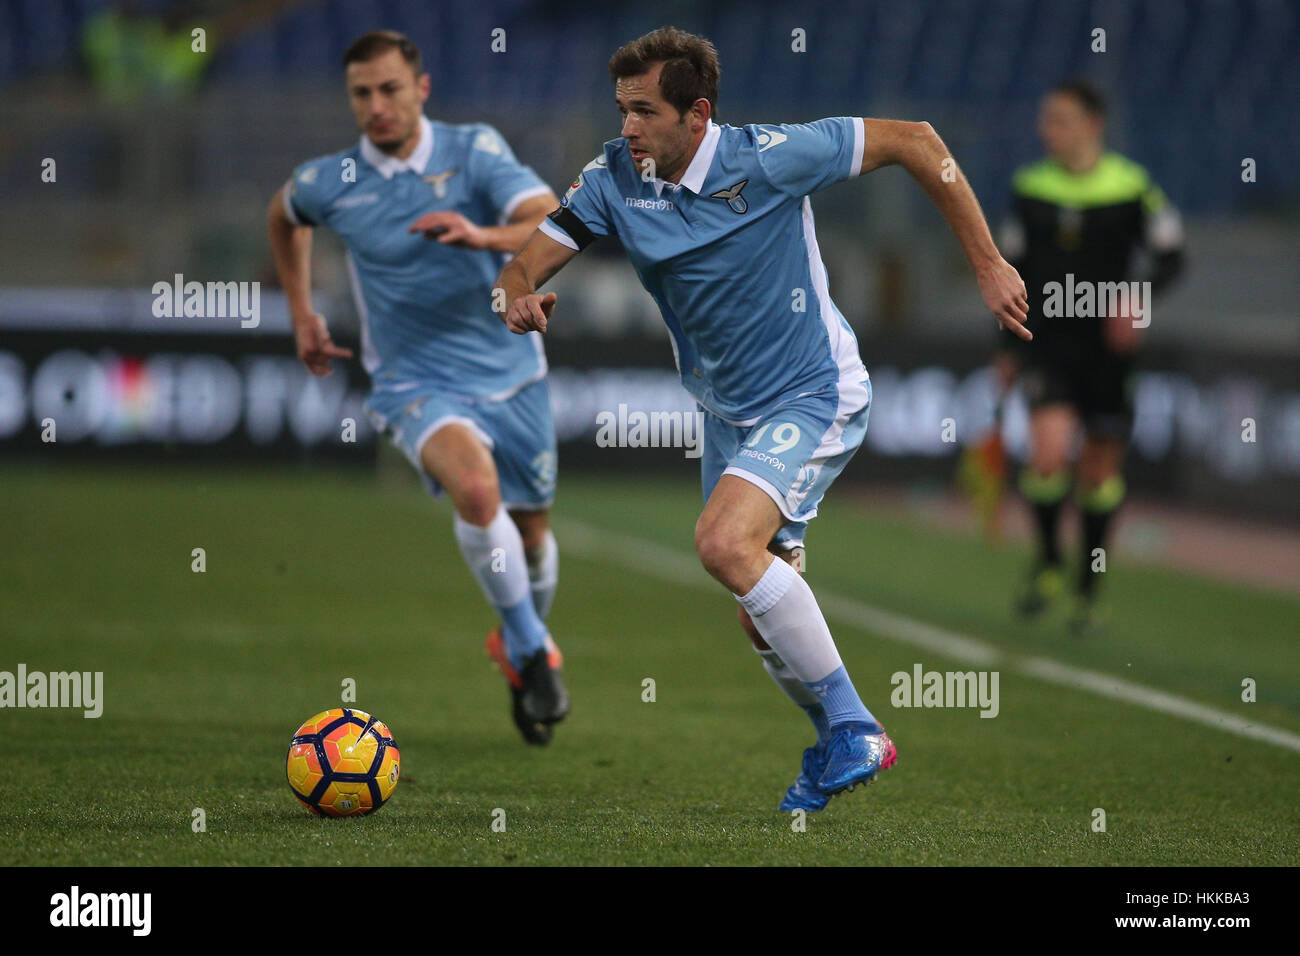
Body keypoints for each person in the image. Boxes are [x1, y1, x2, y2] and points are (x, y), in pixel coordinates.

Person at [496, 27, 1030, 809]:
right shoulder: (614, 177)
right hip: (725, 414)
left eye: (644, 112)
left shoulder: (771, 156)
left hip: (813, 391)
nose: (628, 129)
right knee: (760, 609)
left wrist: (986, 263)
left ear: (698, 114)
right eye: (622, 110)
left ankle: (855, 728)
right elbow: (523, 263)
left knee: (722, 542)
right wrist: (517, 298)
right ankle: (832, 741)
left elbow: (917, 142)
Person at [267, 30, 568, 745]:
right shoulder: (329, 181)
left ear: (421, 89)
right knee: (476, 493)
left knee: (530, 539)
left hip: (513, 373)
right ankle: (531, 648)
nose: (376, 105)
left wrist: (478, 234)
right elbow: (284, 218)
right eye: (361, 94)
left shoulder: (475, 151)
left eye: (390, 89)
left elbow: (549, 217)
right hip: (413, 380)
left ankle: (519, 639)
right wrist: (302, 311)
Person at [997, 79, 1185, 635]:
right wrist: (1006, 346)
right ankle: (1050, 561)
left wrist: (1137, 298)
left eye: (1059, 119)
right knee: (1048, 455)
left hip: (1108, 351)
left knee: (1100, 471)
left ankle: (1087, 587)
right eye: (1045, 119)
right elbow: (1009, 272)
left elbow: (1173, 257)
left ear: (1092, 125)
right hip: (1048, 343)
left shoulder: (1132, 187)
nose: (1047, 129)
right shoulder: (1029, 188)